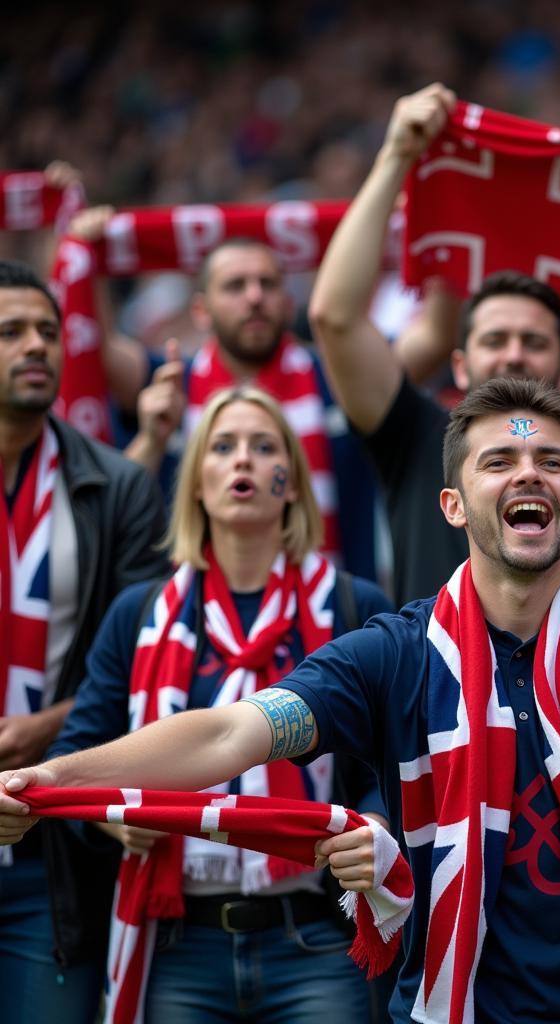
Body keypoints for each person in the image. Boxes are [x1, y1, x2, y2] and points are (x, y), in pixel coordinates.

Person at [0, 377, 560, 1024]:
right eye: (500, 462)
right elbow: (229, 732)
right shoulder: (396, 651)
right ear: (452, 504)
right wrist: (47, 780)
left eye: (553, 462)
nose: (530, 476)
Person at [51, 385, 392, 1022]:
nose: (244, 461)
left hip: (314, 938)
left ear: (290, 484)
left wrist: (372, 828)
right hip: (180, 944)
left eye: (265, 448)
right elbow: (76, 754)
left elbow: (393, 766)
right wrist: (112, 817)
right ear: (197, 485)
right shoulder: (139, 616)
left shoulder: (355, 608)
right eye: (224, 447)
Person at [309, 82, 560, 604]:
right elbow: (334, 317)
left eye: (533, 340)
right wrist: (395, 155)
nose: (514, 353)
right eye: (495, 339)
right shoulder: (413, 436)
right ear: (458, 362)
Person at [0, 259, 167, 1022]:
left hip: (50, 849)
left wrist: (44, 731)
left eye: (47, 330)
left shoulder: (118, 486)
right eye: (11, 332)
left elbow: (143, 663)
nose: (36, 345)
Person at [76, 221, 380, 581]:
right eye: (236, 286)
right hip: (198, 617)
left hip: (330, 617)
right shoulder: (171, 384)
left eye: (267, 284)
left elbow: (431, 340)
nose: (254, 297)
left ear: (287, 303)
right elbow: (95, 346)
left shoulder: (339, 380)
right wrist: (78, 251)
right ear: (201, 310)